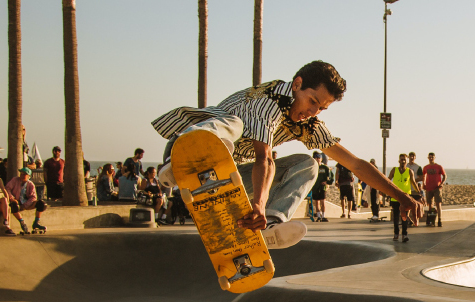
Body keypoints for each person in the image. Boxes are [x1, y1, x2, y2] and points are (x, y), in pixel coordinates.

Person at [152, 60, 422, 249]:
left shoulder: (308, 125)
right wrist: (257, 200)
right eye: (312, 101)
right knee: (233, 124)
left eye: (321, 109)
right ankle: (180, 164)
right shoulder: (269, 101)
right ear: (297, 84)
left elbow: (356, 165)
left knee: (308, 165)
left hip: (225, 178)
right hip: (185, 153)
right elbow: (264, 159)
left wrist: (402, 196)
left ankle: (269, 226)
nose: (312, 111)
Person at [387, 154, 420, 242]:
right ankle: (396, 233)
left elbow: (413, 182)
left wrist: (418, 192)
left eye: (405, 160)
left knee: (405, 216)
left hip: (406, 198)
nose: (403, 161)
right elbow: (388, 180)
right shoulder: (394, 170)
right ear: (399, 161)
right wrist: (385, 191)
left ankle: (404, 234)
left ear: (407, 161)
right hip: (395, 196)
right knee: (396, 216)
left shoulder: (409, 171)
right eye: (402, 160)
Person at [5, 167, 48, 234]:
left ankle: (36, 222)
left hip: (26, 203)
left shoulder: (31, 184)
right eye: (21, 173)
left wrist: (25, 205)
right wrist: (12, 198)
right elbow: (7, 188)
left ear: (29, 176)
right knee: (14, 205)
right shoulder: (14, 180)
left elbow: (33, 197)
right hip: (16, 201)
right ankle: (22, 222)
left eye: (24, 174)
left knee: (42, 204)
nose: (22, 175)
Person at [423, 152, 447, 227]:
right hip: (429, 188)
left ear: (434, 158)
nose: (431, 158)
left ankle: (439, 220)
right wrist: (423, 184)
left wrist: (442, 183)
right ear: (428, 158)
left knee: (438, 204)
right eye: (429, 157)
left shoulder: (439, 167)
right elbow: (424, 176)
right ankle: (431, 220)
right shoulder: (426, 167)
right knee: (430, 205)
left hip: (437, 188)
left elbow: (444, 175)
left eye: (432, 157)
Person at [310, 151, 332, 222]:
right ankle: (318, 216)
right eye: (316, 158)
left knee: (323, 202)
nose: (318, 159)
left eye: (319, 158)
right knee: (317, 202)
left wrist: (327, 182)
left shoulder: (325, 167)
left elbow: (331, 177)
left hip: (322, 187)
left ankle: (323, 216)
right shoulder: (313, 168)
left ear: (321, 159)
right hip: (315, 187)